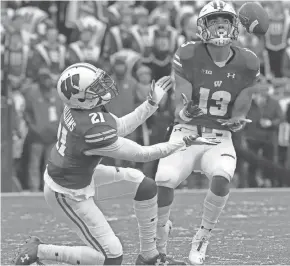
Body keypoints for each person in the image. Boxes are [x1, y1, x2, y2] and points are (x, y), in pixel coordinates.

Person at [14, 63, 200, 265]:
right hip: (68, 193)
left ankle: (149, 256)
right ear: (81, 97)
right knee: (111, 257)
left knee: (145, 186)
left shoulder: (79, 107)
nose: (102, 89)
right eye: (94, 88)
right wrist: (180, 142)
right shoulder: (90, 129)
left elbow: (120, 126)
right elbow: (142, 154)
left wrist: (151, 103)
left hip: (81, 175)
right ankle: (39, 251)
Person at [154, 1, 260, 265]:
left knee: (223, 175)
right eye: (214, 20)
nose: (220, 25)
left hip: (219, 136)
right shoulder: (189, 54)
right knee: (164, 178)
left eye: (225, 20)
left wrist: (237, 122)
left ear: (235, 25)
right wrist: (186, 112)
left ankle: (202, 236)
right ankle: (160, 233)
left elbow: (240, 110)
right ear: (203, 26)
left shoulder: (248, 61)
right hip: (186, 131)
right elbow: (181, 109)